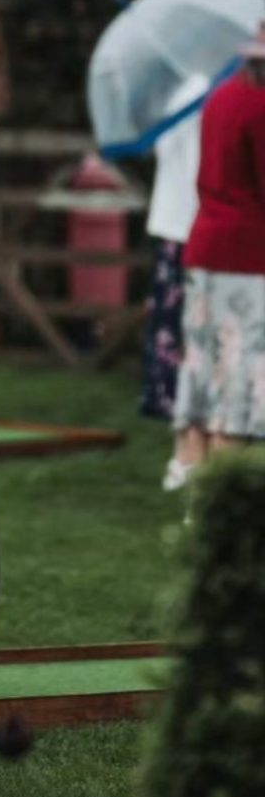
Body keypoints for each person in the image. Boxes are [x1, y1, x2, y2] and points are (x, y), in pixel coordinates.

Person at [171, 24, 265, 482]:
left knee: (200, 358)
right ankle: (224, 479)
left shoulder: (222, 96)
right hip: (247, 253)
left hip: (205, 240)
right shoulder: (260, 106)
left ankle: (188, 461)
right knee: (240, 364)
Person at [141, 73, 209, 489]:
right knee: (195, 344)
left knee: (186, 342)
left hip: (177, 228)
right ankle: (189, 452)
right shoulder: (201, 94)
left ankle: (187, 453)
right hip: (193, 230)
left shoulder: (179, 91)